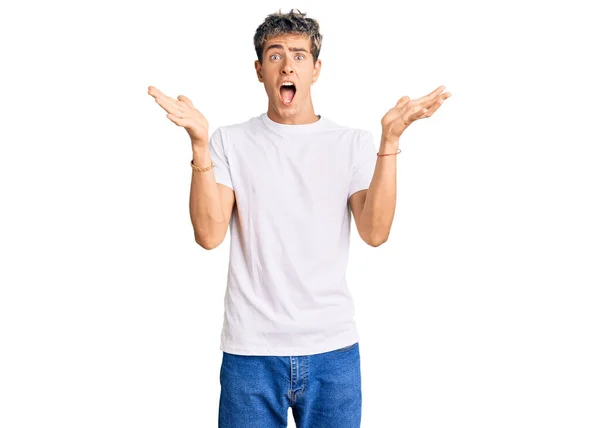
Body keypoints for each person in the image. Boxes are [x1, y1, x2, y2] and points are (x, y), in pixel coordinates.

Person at [148, 8, 451, 428]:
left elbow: (375, 232)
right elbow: (209, 233)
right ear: (259, 70)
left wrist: (391, 140)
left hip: (333, 351)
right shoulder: (230, 142)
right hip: (250, 353)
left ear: (316, 69)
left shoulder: (352, 144)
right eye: (275, 56)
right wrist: (200, 145)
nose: (287, 65)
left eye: (299, 55)